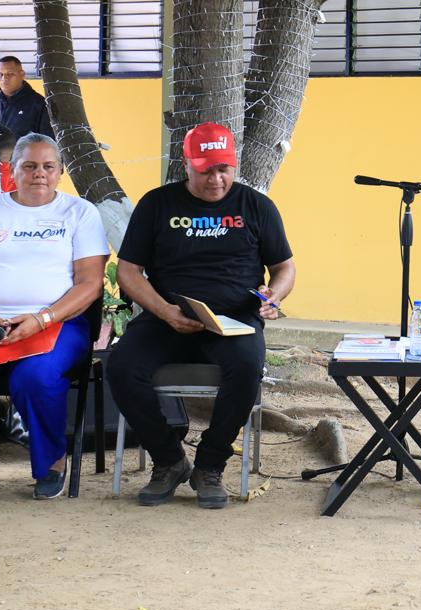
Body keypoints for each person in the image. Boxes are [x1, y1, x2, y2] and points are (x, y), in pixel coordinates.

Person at [107, 122, 295, 509]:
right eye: (206, 169)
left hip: (235, 321)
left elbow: (285, 267)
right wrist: (165, 311)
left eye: (224, 168)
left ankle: (210, 465)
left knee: (246, 370)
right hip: (167, 316)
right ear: (186, 164)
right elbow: (128, 270)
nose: (217, 178)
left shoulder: (256, 206)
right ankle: (169, 460)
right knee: (122, 366)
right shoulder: (158, 204)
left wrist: (273, 295)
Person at [0, 133, 108, 500]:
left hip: (57, 322)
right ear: (13, 171)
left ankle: (51, 463)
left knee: (36, 378)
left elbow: (90, 285)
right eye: (29, 166)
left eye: (47, 166)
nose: (38, 173)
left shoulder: (79, 213)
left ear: (60, 172)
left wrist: (43, 318)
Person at [0, 55, 53, 140]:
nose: (4, 78)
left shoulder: (39, 104)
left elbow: (47, 142)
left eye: (10, 74)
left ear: (22, 74)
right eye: (0, 74)